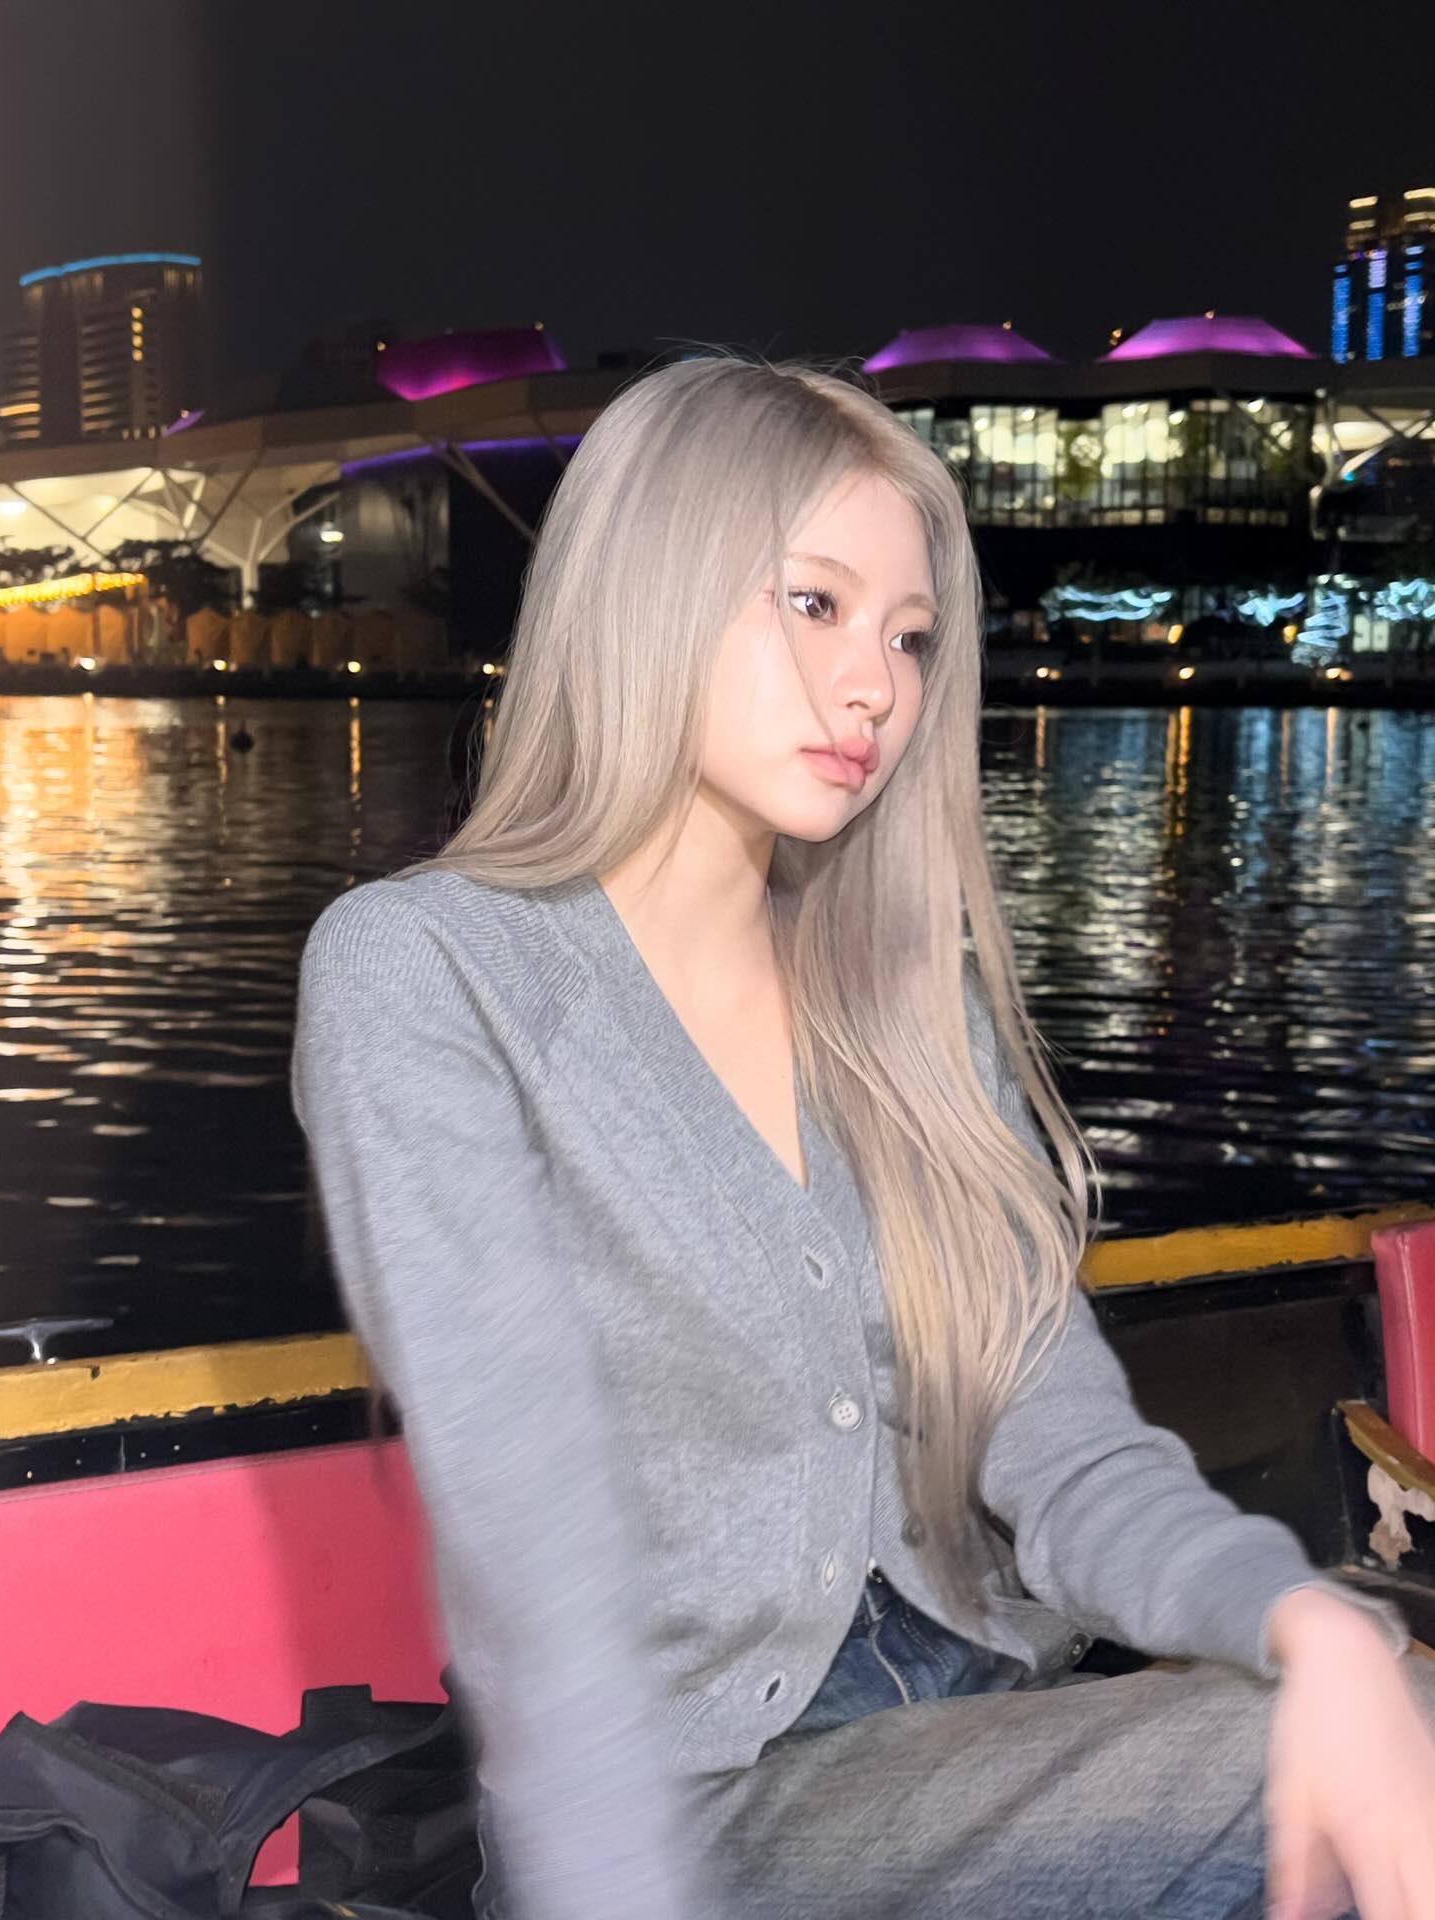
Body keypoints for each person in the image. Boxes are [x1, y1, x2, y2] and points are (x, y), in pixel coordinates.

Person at [291, 355, 1435, 1920]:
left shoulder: (907, 1008)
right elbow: (529, 1527)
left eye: (908, 636)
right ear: (649, 587)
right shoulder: (430, 969)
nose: (877, 689)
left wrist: (1300, 1622)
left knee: (1368, 1708)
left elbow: (1065, 1445)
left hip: (990, 1717)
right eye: (815, 605)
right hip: (689, 1816)